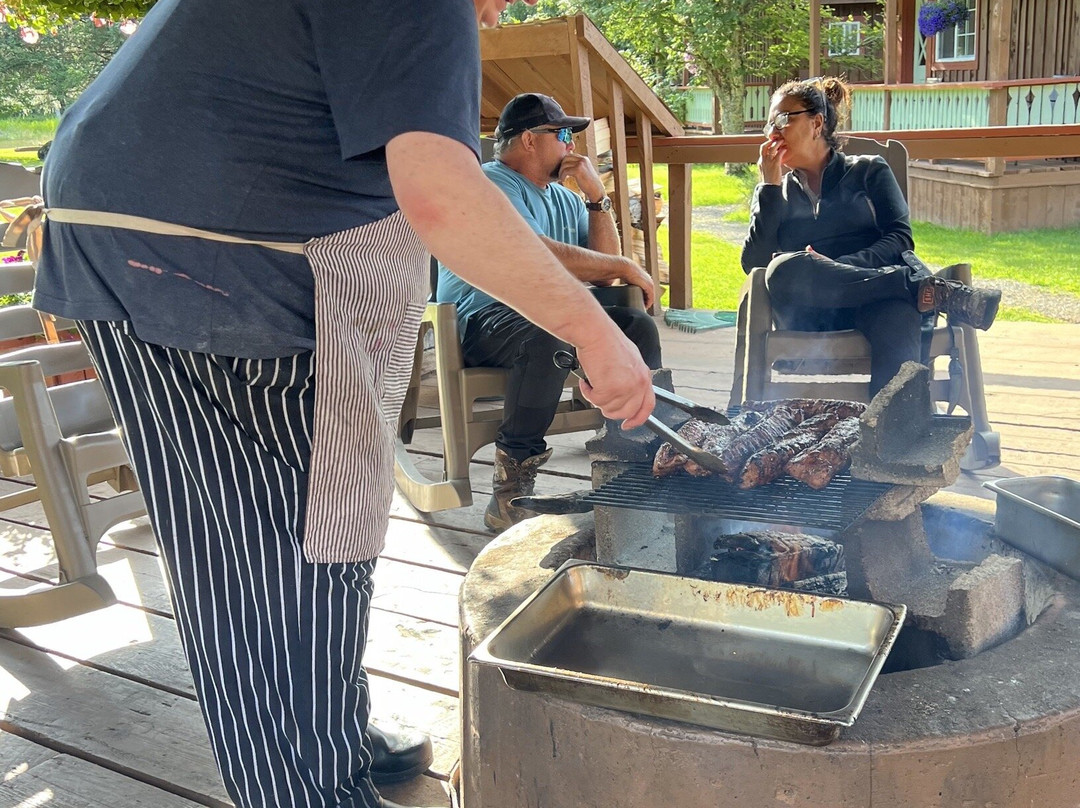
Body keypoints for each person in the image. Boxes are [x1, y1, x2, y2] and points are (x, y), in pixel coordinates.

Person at [32, 3, 655, 808]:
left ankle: (327, 730)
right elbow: (439, 194)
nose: (508, 10)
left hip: (134, 242)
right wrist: (593, 334)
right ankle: (306, 785)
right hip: (216, 261)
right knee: (275, 554)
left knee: (301, 524)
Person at [437, 93, 662, 531]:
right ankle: (511, 488)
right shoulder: (491, 182)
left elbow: (604, 278)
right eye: (562, 135)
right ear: (528, 140)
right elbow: (533, 254)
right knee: (547, 335)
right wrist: (623, 264)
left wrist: (597, 199)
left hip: (551, 314)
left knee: (635, 325)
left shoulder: (564, 199)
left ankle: (636, 456)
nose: (571, 147)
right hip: (484, 315)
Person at [742, 76, 1001, 396]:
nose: (773, 132)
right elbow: (753, 263)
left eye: (783, 119)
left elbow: (900, 239)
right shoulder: (774, 192)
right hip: (809, 310)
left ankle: (893, 433)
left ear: (816, 123)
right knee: (782, 269)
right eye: (769, 125)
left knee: (900, 314)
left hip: (873, 302)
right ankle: (919, 287)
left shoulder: (869, 171)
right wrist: (768, 187)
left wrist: (839, 265)